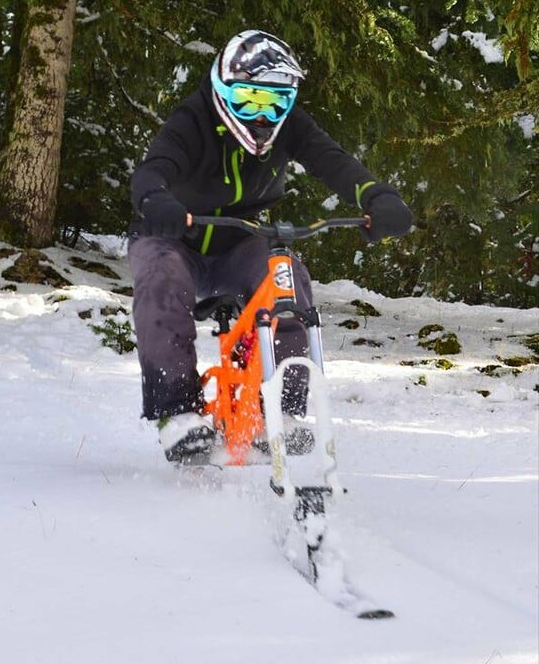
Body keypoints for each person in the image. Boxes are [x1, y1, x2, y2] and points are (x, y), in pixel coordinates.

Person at [128, 29, 412, 461]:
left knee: (286, 276)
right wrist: (156, 201)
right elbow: (154, 168)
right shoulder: (194, 119)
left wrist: (377, 196)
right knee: (161, 282)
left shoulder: (289, 128)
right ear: (224, 91)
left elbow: (333, 162)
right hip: (172, 237)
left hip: (241, 240)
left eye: (275, 103)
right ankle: (177, 412)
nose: (262, 116)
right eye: (250, 100)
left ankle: (279, 406)